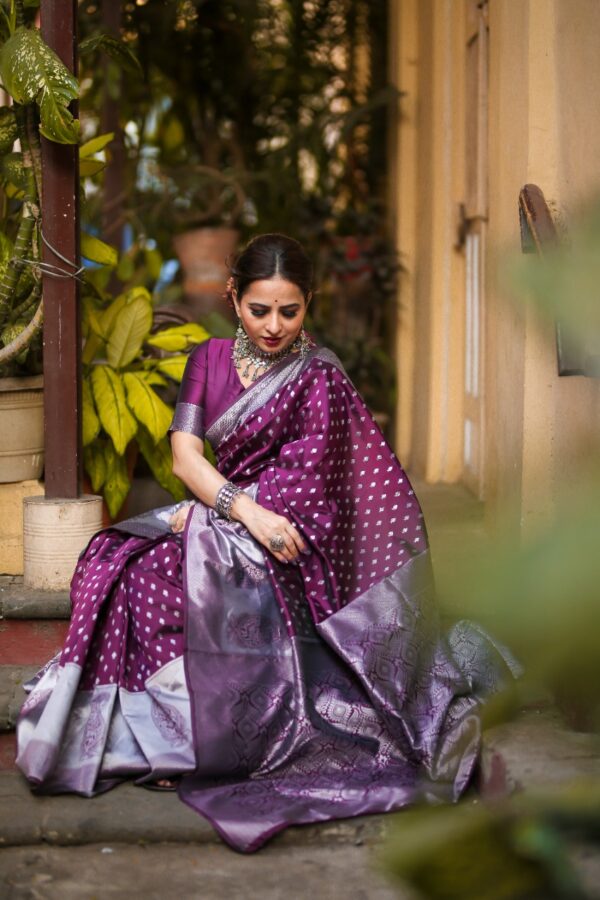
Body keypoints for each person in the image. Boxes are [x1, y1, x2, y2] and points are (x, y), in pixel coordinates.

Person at [16, 233, 518, 853]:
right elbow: (184, 454)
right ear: (234, 296)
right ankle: (167, 735)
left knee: (222, 578)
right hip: (227, 513)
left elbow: (308, 490)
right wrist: (230, 511)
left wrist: (233, 519)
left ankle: (213, 740)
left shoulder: (320, 378)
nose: (274, 326)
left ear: (310, 302)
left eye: (290, 311)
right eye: (259, 310)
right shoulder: (207, 359)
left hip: (288, 537)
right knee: (127, 569)